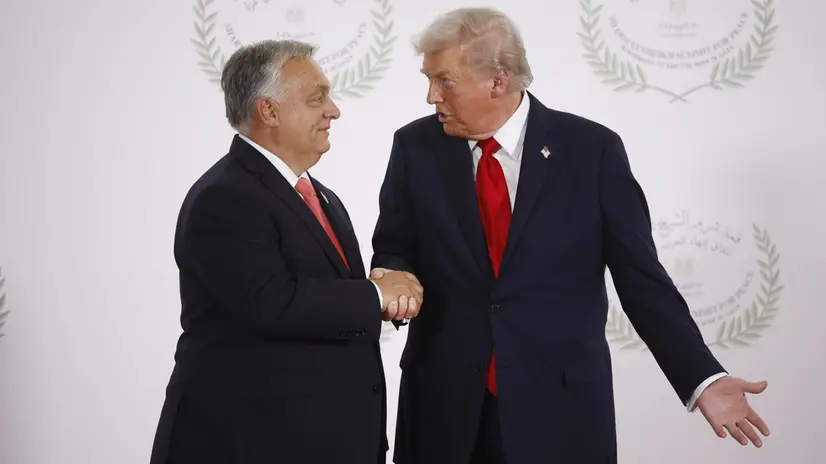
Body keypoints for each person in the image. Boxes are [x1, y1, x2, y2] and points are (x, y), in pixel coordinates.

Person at [369, 8, 770, 464]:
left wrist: (703, 379)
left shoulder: (591, 151)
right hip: (442, 407)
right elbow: (395, 245)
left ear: (498, 81)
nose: (430, 96)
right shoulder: (414, 146)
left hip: (560, 410)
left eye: (444, 80)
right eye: (428, 79)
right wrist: (394, 278)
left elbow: (642, 280)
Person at [148, 39, 422, 464]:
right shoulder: (224, 197)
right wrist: (374, 296)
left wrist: (384, 297)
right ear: (269, 111)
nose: (334, 111)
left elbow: (327, 303)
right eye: (317, 99)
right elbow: (270, 301)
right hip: (246, 444)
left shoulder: (322, 197)